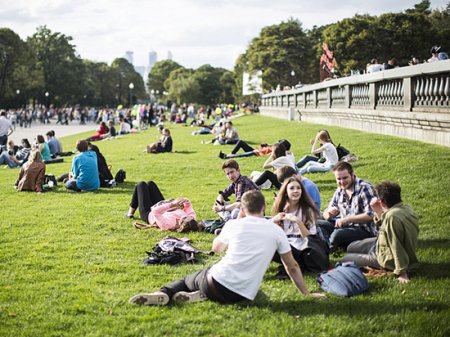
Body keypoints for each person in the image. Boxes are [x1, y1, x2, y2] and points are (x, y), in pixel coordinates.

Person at [129, 190, 327, 306]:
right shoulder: (276, 231)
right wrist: (306, 294)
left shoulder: (233, 225)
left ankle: (163, 292)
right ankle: (198, 296)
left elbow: (216, 249)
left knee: (189, 279)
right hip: (241, 296)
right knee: (258, 293)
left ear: (242, 209)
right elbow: (291, 267)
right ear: (264, 208)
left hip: (214, 282)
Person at [342, 181, 419, 283]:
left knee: (345, 258)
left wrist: (402, 272)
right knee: (351, 247)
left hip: (387, 257)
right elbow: (385, 229)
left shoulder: (391, 217)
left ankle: (376, 260)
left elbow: (395, 245)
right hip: (380, 244)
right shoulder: (404, 208)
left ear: (381, 202)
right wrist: (378, 212)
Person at [319, 161, 377, 252]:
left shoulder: (365, 188)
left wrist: (347, 219)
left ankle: (330, 245)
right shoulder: (340, 189)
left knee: (337, 235)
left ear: (352, 174)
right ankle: (331, 245)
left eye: (345, 178)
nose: (342, 182)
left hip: (364, 230)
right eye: (338, 179)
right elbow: (326, 213)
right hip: (344, 226)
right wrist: (329, 214)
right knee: (318, 223)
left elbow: (371, 215)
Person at [271, 176, 321, 275]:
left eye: (298, 188)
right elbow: (277, 235)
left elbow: (310, 238)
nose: (296, 191)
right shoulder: (281, 209)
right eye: (292, 188)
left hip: (301, 249)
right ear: (285, 192)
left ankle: (294, 265)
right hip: (285, 246)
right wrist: (274, 221)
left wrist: (298, 221)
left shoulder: (308, 210)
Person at [125, 180, 200, 232]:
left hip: (149, 213)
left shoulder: (168, 224)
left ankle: (130, 213)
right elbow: (188, 205)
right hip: (163, 205)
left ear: (180, 223)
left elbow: (155, 212)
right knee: (150, 184)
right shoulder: (191, 220)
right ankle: (130, 213)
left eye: (183, 218)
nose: (183, 216)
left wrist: (172, 205)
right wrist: (184, 201)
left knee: (141, 185)